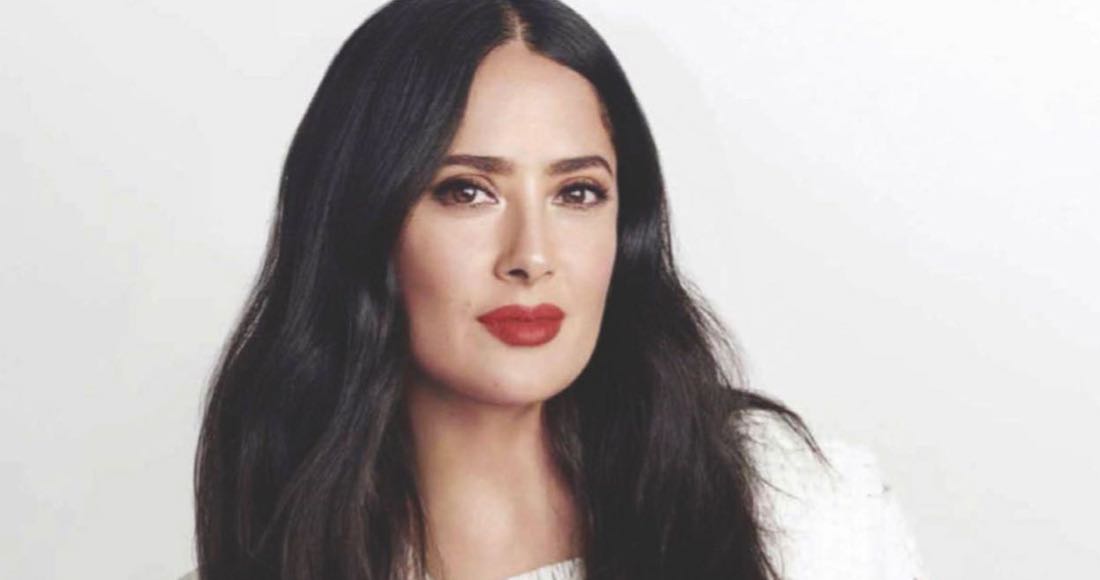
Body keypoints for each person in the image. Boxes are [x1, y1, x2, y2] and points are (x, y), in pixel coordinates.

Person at [181, 0, 926, 579]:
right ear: (362, 220)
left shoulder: (802, 510)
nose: (532, 257)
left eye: (577, 193)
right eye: (466, 191)